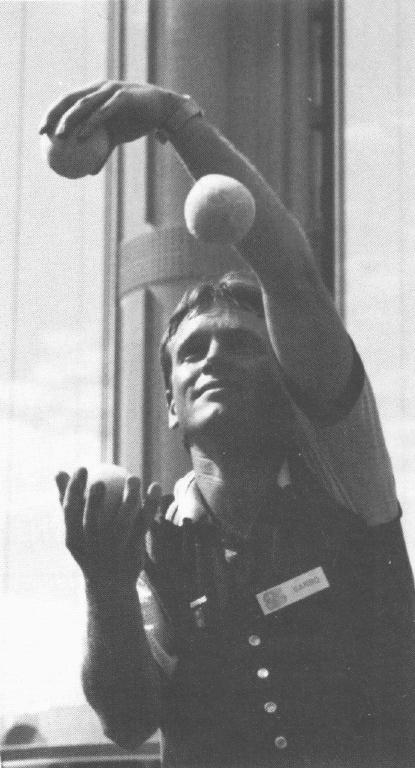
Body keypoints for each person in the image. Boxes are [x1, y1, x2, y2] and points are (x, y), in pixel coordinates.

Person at [40, 81, 415, 768]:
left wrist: (173, 117)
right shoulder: (152, 540)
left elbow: (290, 277)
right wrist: (105, 583)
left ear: (287, 381)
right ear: (172, 404)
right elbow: (127, 718)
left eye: (240, 344)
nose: (212, 358)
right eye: (191, 352)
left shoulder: (342, 477)